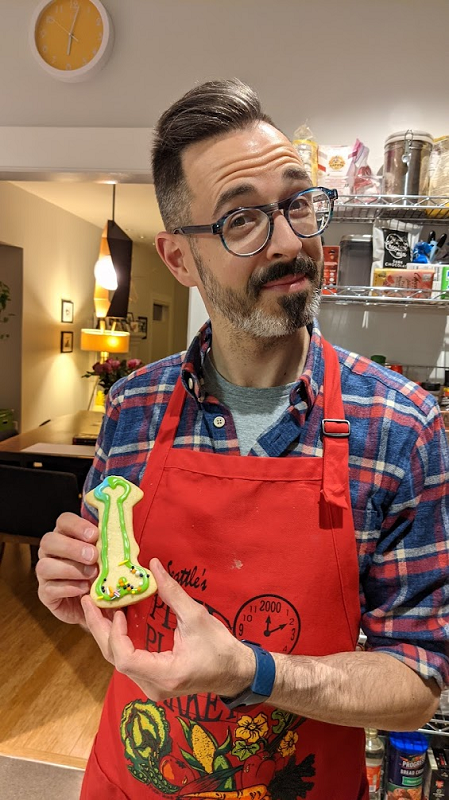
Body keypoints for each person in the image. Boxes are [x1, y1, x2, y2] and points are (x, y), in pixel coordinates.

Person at [36, 79, 448, 800]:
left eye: (295, 202)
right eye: (240, 221)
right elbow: (119, 589)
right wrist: (73, 584)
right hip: (128, 781)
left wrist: (254, 674)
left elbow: (417, 681)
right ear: (178, 260)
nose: (290, 240)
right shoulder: (133, 405)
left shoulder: (402, 427)